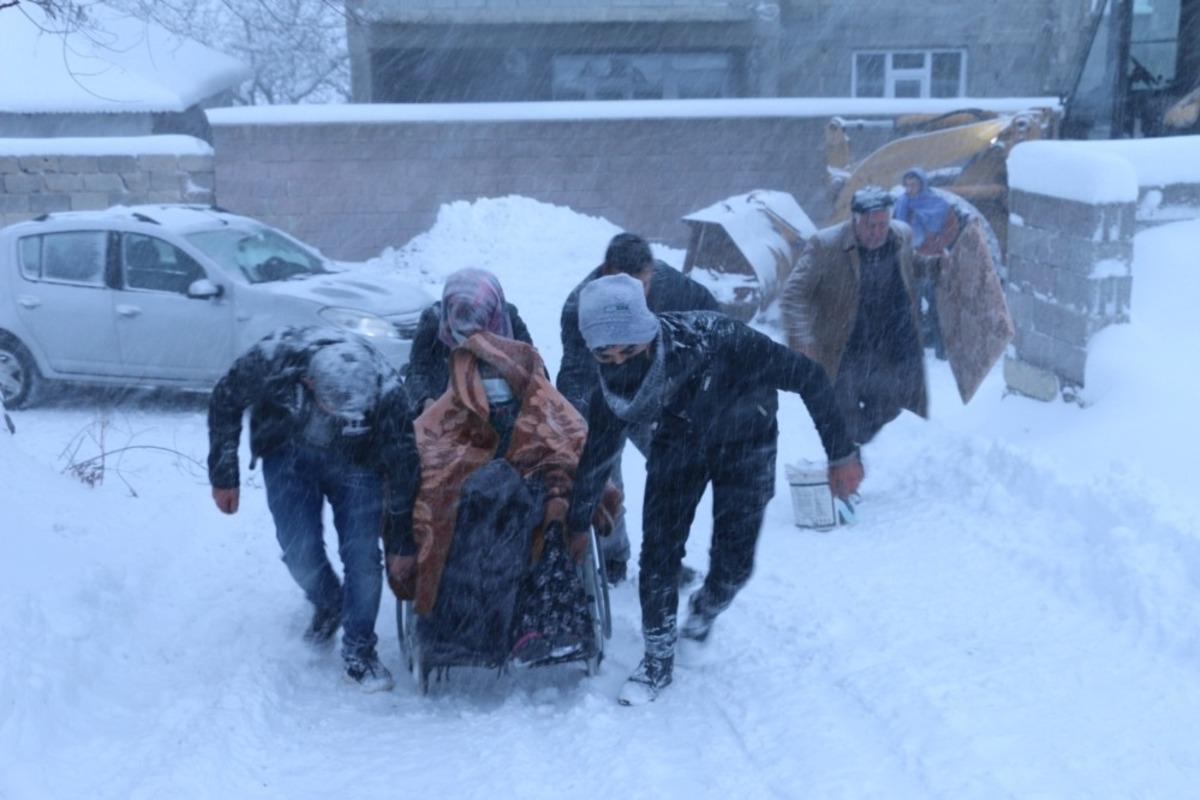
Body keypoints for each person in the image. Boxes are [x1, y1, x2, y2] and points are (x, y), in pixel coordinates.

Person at [566, 275, 864, 705]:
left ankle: (705, 611)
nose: (619, 363)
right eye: (605, 355)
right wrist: (577, 522)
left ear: (648, 335)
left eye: (629, 351)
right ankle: (658, 659)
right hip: (679, 440)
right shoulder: (613, 392)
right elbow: (596, 457)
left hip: (748, 437)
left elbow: (811, 377)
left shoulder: (719, 339)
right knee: (659, 552)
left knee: (735, 564)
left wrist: (841, 453)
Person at [207, 326, 419, 692]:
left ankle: (359, 652)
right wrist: (224, 474)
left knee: (363, 557)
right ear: (308, 383)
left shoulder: (386, 390)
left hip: (359, 463)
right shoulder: (275, 360)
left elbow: (403, 466)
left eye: (356, 415)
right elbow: (226, 399)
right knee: (299, 549)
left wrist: (401, 544)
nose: (347, 421)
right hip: (288, 454)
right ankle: (329, 603)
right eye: (339, 411)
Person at [392, 328, 593, 668]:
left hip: (532, 507)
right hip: (464, 509)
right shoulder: (447, 412)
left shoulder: (546, 408)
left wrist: (550, 490)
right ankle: (467, 634)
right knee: (455, 527)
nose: (492, 385)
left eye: (501, 376)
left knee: (540, 521)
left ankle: (535, 627)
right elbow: (422, 458)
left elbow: (574, 453)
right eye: (483, 376)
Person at [557, 232, 720, 584]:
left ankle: (664, 560)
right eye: (627, 284)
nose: (637, 295)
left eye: (644, 285)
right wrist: (576, 429)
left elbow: (717, 325)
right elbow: (575, 374)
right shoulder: (580, 307)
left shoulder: (674, 287)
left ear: (653, 273)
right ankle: (614, 559)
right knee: (605, 481)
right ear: (606, 272)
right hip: (607, 401)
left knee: (672, 476)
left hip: (659, 399)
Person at [780, 185, 929, 446]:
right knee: (845, 427)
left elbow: (910, 266)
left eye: (883, 224)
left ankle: (882, 473)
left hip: (889, 351)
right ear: (855, 220)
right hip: (844, 352)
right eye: (871, 225)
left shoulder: (900, 236)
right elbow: (794, 294)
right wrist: (804, 339)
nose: (877, 232)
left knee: (891, 423)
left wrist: (937, 266)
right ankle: (849, 472)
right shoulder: (826, 245)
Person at [403, 268, 535, 413]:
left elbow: (535, 373)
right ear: (449, 311)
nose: (469, 336)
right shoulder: (434, 322)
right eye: (461, 328)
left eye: (478, 327)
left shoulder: (508, 320)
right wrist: (425, 401)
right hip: (445, 416)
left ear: (492, 316)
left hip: (503, 420)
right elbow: (416, 371)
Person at [893, 168, 959, 357]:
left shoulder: (937, 204)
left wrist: (938, 242)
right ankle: (916, 348)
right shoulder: (901, 204)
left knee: (935, 305)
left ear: (922, 184)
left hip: (931, 260)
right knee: (912, 306)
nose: (910, 188)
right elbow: (895, 228)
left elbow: (952, 226)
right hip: (909, 261)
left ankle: (940, 347)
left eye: (914, 184)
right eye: (907, 184)